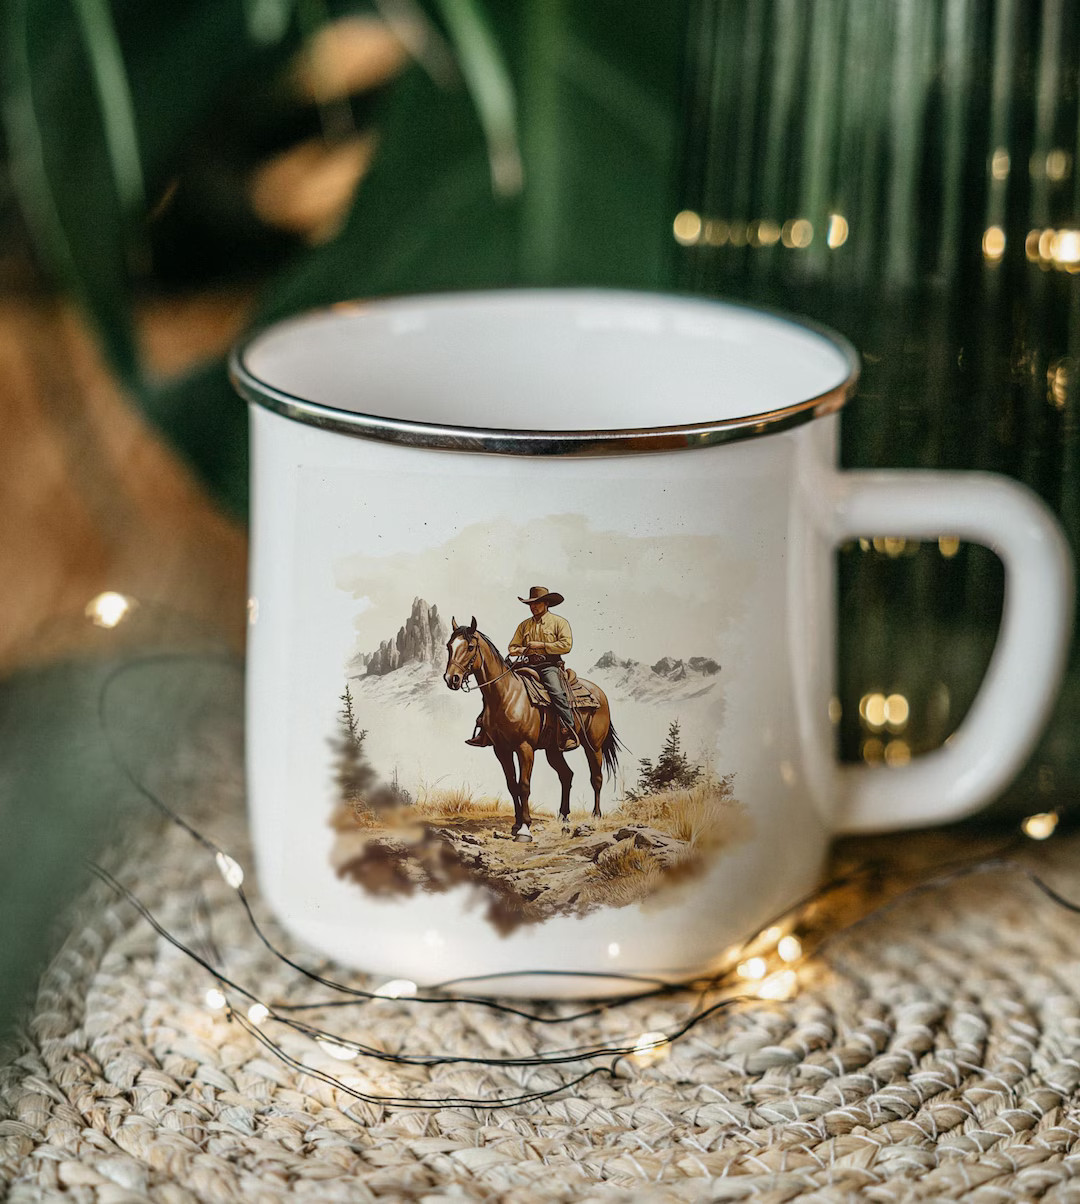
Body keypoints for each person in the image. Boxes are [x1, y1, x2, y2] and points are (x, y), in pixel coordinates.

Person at [465, 586, 580, 750]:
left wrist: (541, 646)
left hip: (549, 665)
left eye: (536, 603)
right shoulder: (524, 625)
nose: (533, 607)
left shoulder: (559, 623)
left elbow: (566, 645)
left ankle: (568, 730)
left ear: (546, 603)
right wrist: (523, 650)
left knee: (556, 691)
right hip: (526, 663)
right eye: (530, 604)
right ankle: (485, 729)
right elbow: (512, 647)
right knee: (496, 689)